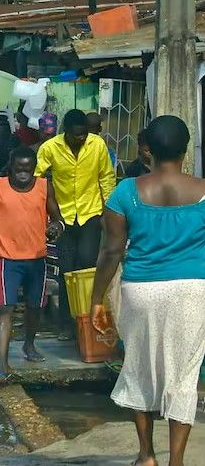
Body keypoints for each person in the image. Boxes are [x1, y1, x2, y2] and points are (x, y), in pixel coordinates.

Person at [90, 116, 205, 466]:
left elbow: (111, 251)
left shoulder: (126, 192)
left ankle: (146, 455)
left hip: (142, 290)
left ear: (148, 150)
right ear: (186, 150)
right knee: (184, 375)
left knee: (139, 367)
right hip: (193, 291)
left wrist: (96, 299)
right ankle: (178, 461)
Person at [0, 146, 65, 379]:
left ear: (34, 168)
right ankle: (3, 362)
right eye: (19, 169)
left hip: (37, 258)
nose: (23, 174)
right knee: (5, 309)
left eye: (28, 169)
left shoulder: (44, 187)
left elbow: (58, 217)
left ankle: (29, 344)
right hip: (9, 260)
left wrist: (55, 227)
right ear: (11, 167)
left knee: (34, 306)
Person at [36, 108, 115, 340]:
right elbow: (37, 177)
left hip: (91, 214)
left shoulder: (97, 145)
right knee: (66, 269)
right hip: (64, 218)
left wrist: (108, 211)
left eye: (83, 135)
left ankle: (88, 319)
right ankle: (65, 325)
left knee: (87, 263)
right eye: (75, 135)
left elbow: (106, 178)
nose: (80, 139)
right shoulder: (50, 148)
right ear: (66, 132)